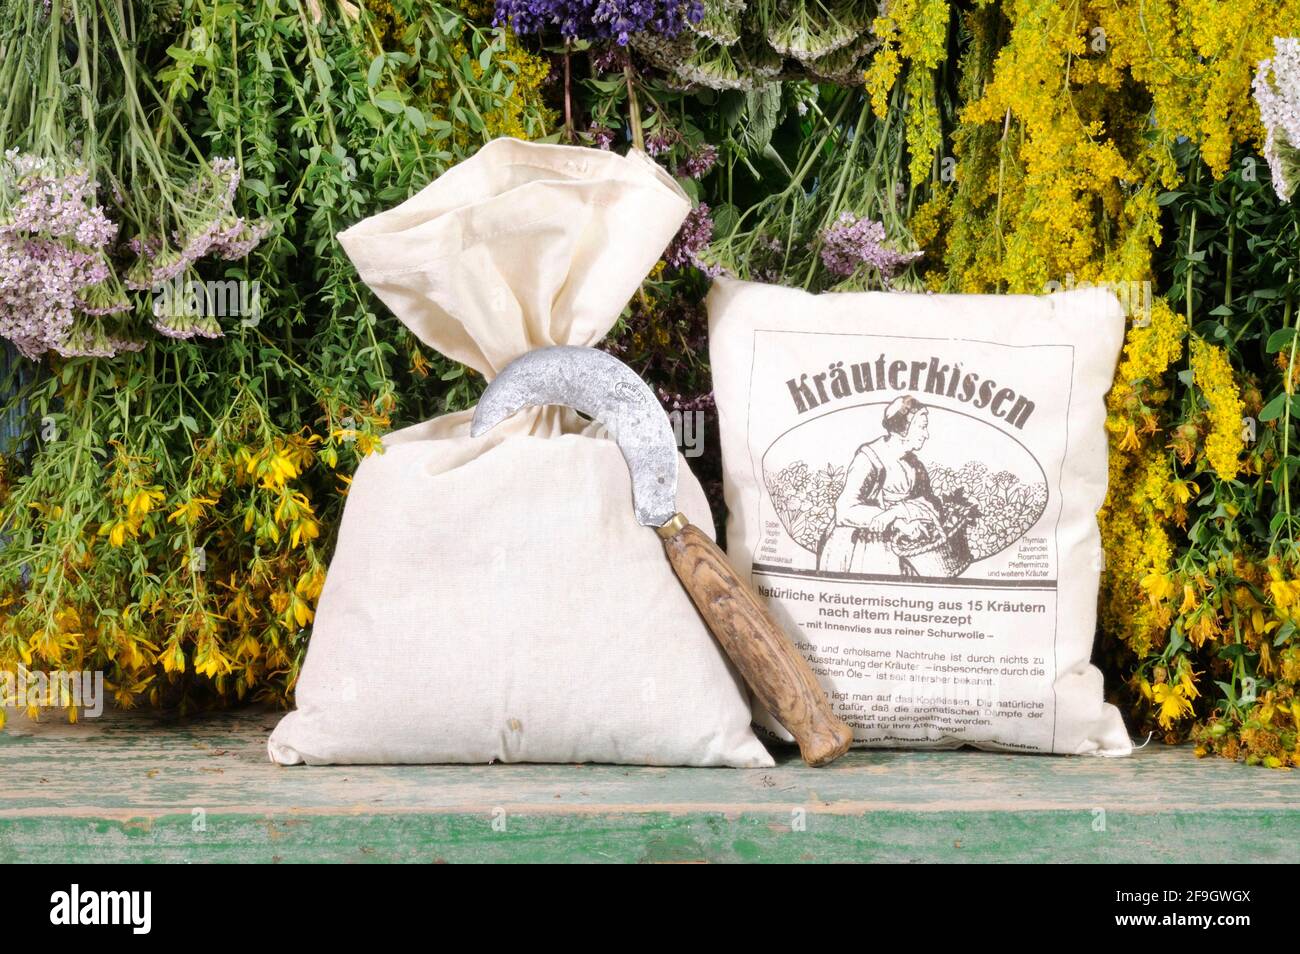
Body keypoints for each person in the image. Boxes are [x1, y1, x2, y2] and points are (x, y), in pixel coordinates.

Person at [817, 396, 945, 576]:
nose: (926, 434)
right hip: (864, 547)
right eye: (922, 427)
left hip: (904, 547)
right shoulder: (870, 458)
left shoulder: (915, 465)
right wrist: (892, 520)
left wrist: (900, 512)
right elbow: (844, 509)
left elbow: (932, 504)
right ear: (903, 428)